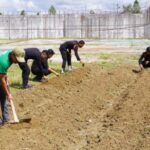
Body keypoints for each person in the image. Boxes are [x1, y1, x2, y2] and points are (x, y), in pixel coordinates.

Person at [0, 47, 25, 126]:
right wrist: (8, 93)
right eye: (17, 59)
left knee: (4, 97)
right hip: (1, 76)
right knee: (5, 94)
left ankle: (6, 119)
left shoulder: (11, 55)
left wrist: (6, 79)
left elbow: (4, 73)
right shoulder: (4, 62)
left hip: (1, 74)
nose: (18, 62)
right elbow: (2, 80)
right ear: (13, 55)